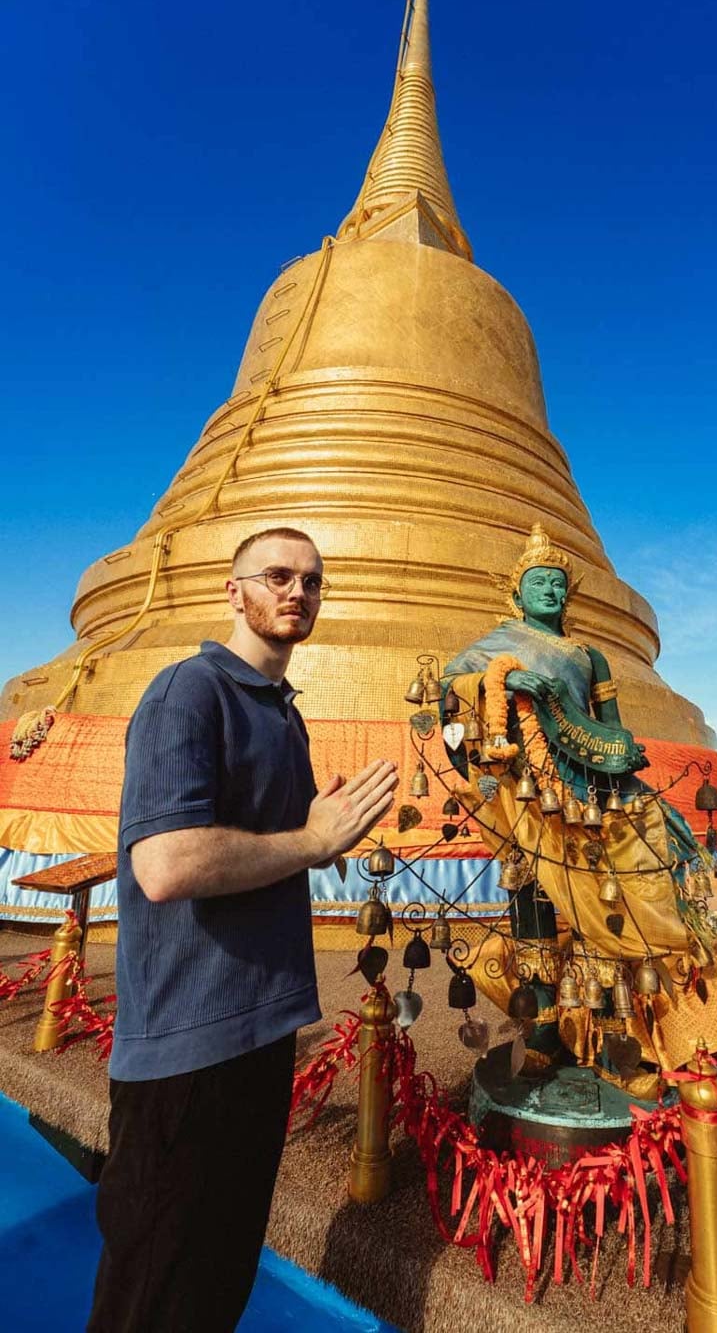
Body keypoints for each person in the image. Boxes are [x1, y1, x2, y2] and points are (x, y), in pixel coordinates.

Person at [87, 527, 398, 1333]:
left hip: (258, 1034)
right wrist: (311, 840)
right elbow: (166, 864)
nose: (297, 592)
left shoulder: (281, 714)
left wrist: (313, 828)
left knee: (215, 1287)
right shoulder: (188, 692)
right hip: (186, 1050)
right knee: (152, 1293)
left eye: (313, 582)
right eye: (277, 576)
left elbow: (268, 845)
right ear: (234, 591)